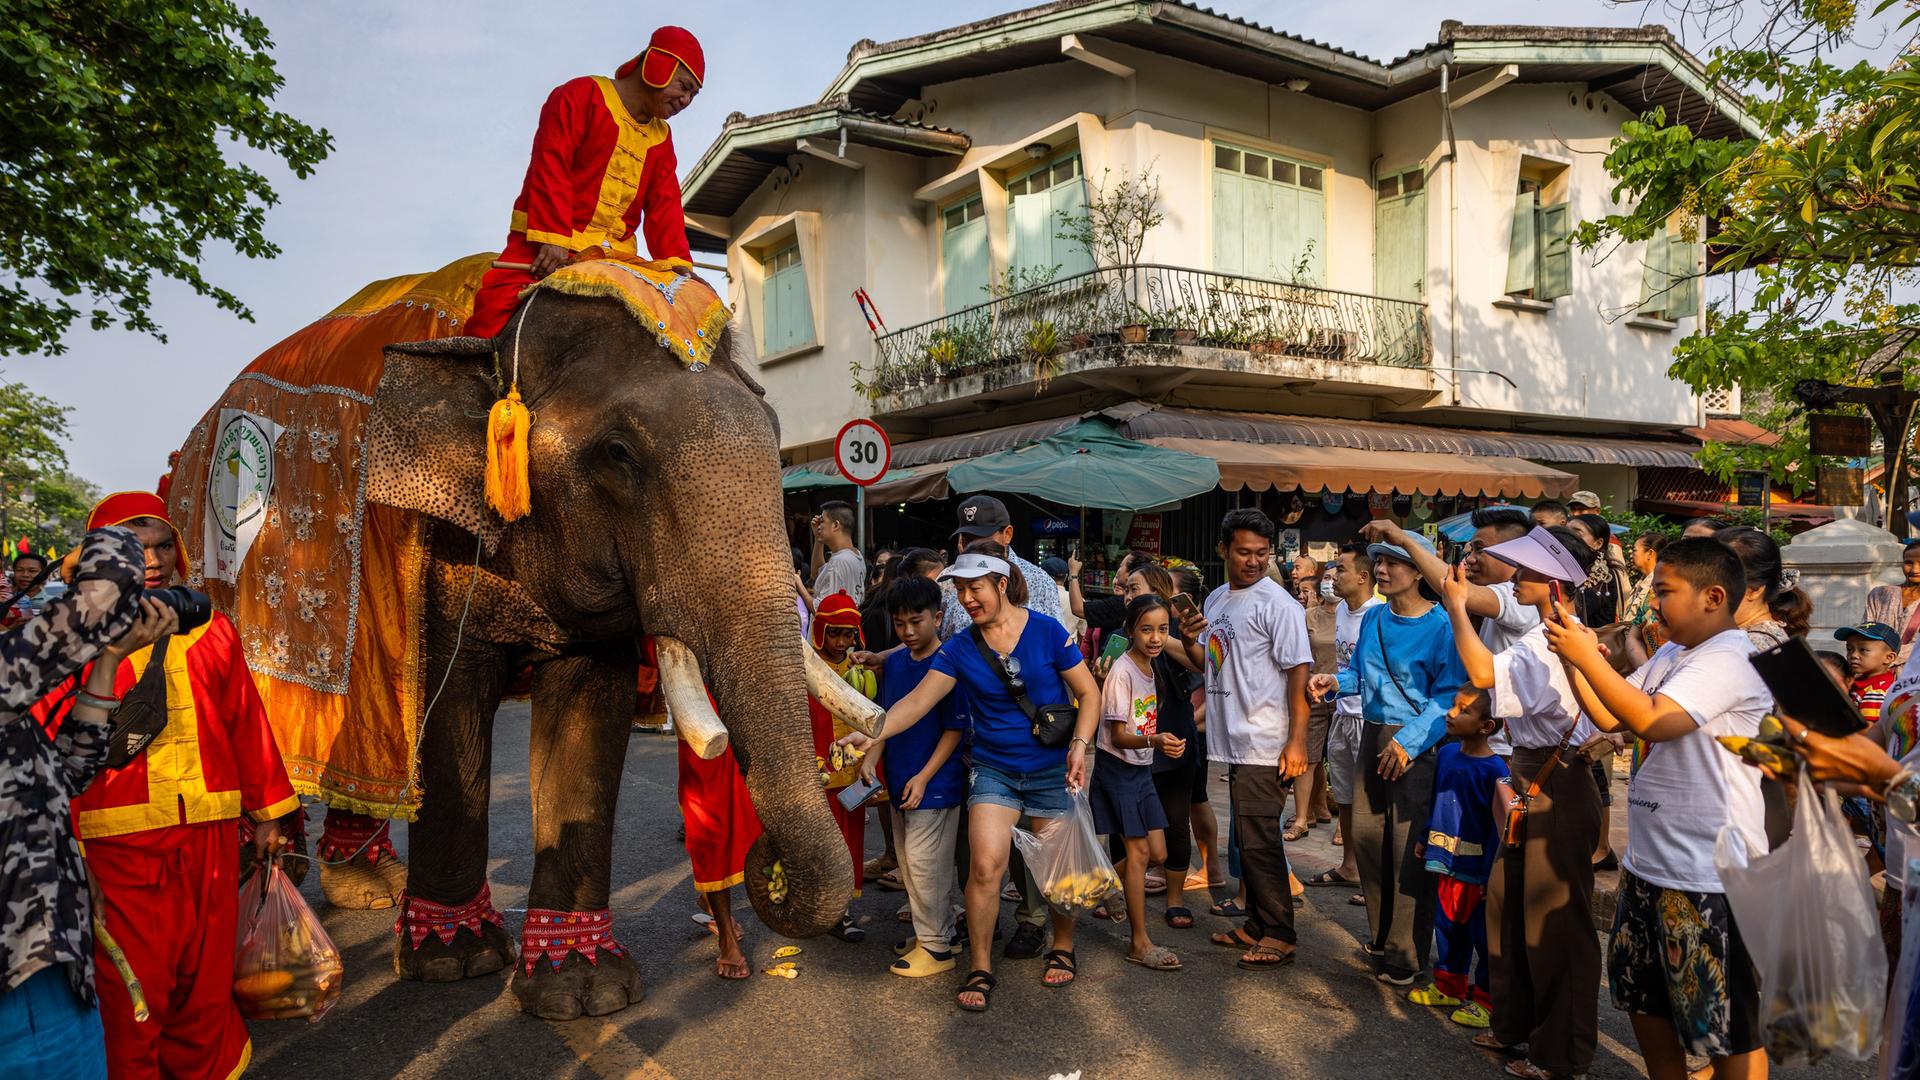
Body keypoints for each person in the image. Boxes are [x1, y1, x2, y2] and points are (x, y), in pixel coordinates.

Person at [33, 492, 298, 1080]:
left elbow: (243, 722)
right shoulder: (67, 637)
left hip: (207, 835)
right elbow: (46, 751)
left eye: (159, 546)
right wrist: (63, 850)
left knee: (203, 984)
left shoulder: (212, 630)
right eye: (133, 548)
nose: (151, 559)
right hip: (114, 844)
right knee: (133, 991)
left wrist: (267, 815)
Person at [1545, 537, 1770, 1080]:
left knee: (1723, 1023)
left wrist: (1583, 657)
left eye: (1665, 592)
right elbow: (1608, 714)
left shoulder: (1730, 657)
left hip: (1708, 874)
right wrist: (1577, 659)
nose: (1652, 603)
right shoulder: (1675, 653)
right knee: (1644, 999)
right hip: (1652, 864)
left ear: (1713, 596)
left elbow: (1654, 721)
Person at [841, 549, 1099, 1012]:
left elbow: (1087, 692)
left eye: (974, 588)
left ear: (1001, 585)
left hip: (1048, 769)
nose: (966, 598)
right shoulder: (960, 648)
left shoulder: (1046, 631)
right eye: (960, 590)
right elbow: (917, 703)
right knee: (984, 867)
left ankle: (1063, 944)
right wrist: (871, 731)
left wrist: (1079, 746)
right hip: (993, 769)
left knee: (1056, 872)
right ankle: (980, 966)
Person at [1441, 525, 1606, 1078]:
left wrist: (1458, 605)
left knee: (1553, 923)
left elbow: (1483, 672)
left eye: (1531, 571)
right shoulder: (1548, 634)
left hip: (1555, 781)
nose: (1520, 578)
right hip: (1534, 773)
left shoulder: (1554, 637)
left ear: (1555, 581)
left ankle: (1560, 1054)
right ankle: (1516, 1030)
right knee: (1510, 907)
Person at [0, 527, 152, 1080]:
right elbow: (107, 589)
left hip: (53, 958)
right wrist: (114, 532)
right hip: (18, 981)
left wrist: (108, 665)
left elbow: (65, 776)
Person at [465, 27, 704, 338]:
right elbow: (551, 162)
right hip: (544, 244)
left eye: (692, 96)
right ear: (658, 66)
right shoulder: (581, 95)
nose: (685, 100)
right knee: (492, 319)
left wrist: (677, 265)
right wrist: (553, 238)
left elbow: (665, 205)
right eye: (683, 86)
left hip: (614, 257)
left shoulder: (662, 138)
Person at [1308, 530, 1465, 987]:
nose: (1382, 569)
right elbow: (1359, 672)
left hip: (1416, 745)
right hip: (1373, 736)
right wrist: (1335, 682)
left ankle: (1405, 952)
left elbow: (1448, 695)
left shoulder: (1441, 626)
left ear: (1419, 571)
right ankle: (1381, 935)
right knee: (1369, 841)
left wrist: (1410, 742)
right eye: (1378, 561)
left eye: (1394, 562)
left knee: (1407, 853)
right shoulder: (1375, 619)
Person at [1178, 508, 1313, 972]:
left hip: (1265, 740)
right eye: (1244, 552)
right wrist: (1191, 638)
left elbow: (1299, 674)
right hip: (1232, 739)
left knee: (1259, 841)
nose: (1253, 561)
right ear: (1224, 551)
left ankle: (1279, 933)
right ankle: (1256, 923)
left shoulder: (1280, 605)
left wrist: (1296, 742)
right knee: (1247, 837)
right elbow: (1209, 663)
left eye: (1262, 553)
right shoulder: (1216, 600)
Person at [1364, 508, 1537, 761]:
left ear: (1513, 554)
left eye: (1480, 550)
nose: (1471, 560)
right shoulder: (1373, 617)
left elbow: (1454, 589)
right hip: (1484, 741)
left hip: (1509, 748)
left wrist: (1405, 541)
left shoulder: (1517, 598)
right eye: (1470, 551)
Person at [864, 575, 969, 977]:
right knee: (910, 865)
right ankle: (936, 934)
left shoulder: (948, 665)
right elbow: (885, 718)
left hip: (935, 785)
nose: (907, 632)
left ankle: (937, 948)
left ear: (938, 617)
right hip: (900, 780)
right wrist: (872, 757)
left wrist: (925, 776)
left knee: (928, 867)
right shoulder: (894, 662)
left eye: (916, 622)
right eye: (900, 623)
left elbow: (955, 730)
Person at [1091, 595, 1184, 972]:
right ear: (1130, 630)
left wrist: (1155, 742)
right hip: (1119, 768)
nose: (1156, 637)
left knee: (1158, 854)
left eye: (1162, 629)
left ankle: (1101, 884)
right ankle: (1139, 942)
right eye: (1147, 629)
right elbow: (1116, 736)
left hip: (1141, 768)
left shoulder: (1151, 667)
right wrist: (1156, 740)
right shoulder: (1123, 672)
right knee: (1141, 855)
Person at [1409, 692, 1507, 1030]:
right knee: (1447, 924)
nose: (1451, 713)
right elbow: (1436, 799)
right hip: (1444, 861)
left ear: (1486, 726)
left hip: (1476, 871)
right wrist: (1425, 838)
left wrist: (1489, 876)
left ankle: (1486, 1000)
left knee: (1482, 934)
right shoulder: (1448, 753)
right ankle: (1449, 986)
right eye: (1454, 705)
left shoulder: (1496, 770)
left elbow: (1496, 827)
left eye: (1463, 710)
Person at [1305, 544, 1379, 893]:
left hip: (1370, 718)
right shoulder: (1341, 613)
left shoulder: (1378, 614)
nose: (1333, 577)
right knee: (1346, 797)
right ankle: (1350, 866)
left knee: (1370, 803)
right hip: (1343, 714)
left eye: (1341, 570)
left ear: (1363, 577)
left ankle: (1374, 877)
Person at [807, 591, 876, 941]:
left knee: (851, 840)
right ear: (820, 631)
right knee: (822, 842)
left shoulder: (858, 670)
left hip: (852, 772)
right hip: (818, 774)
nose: (842, 642)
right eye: (834, 632)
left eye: (849, 634)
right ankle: (820, 905)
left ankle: (842, 910)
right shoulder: (806, 669)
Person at [941, 496, 1062, 638]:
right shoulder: (945, 581)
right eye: (968, 540)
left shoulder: (1040, 581)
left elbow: (1056, 642)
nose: (974, 548)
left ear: (1007, 534)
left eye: (982, 539)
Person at [1290, 554, 1334, 841]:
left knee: (1343, 764)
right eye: (1328, 578)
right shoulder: (1309, 616)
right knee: (1308, 758)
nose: (1332, 582)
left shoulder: (1362, 615)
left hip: (1347, 696)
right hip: (1315, 693)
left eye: (1337, 575)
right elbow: (1300, 657)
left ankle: (1343, 825)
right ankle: (1302, 817)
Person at [1865, 542, 1920, 666]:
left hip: (1912, 676)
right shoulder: (1879, 594)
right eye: (1909, 563)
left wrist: (1881, 658)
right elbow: (1867, 631)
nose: (1915, 569)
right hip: (1877, 673)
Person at [1841, 622, 1903, 731]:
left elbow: (1868, 732)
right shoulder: (1862, 681)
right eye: (1849, 649)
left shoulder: (1876, 692)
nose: (1853, 655)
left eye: (1863, 650)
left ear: (1889, 657)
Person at [810, 501, 866, 606]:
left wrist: (797, 583)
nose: (818, 526)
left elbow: (822, 609)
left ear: (836, 525)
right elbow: (816, 573)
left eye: (822, 521)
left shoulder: (840, 561)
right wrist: (818, 539)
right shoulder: (855, 555)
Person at [2, 551, 49, 628]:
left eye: (32, 571)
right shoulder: (4, 602)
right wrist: (10, 629)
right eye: (20, 570)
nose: (25, 575)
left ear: (44, 575)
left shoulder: (56, 604)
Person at [1041, 557, 1084, 639]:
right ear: (1066, 577)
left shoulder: (1036, 598)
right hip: (1069, 648)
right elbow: (1083, 633)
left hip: (1043, 647)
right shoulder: (1078, 601)